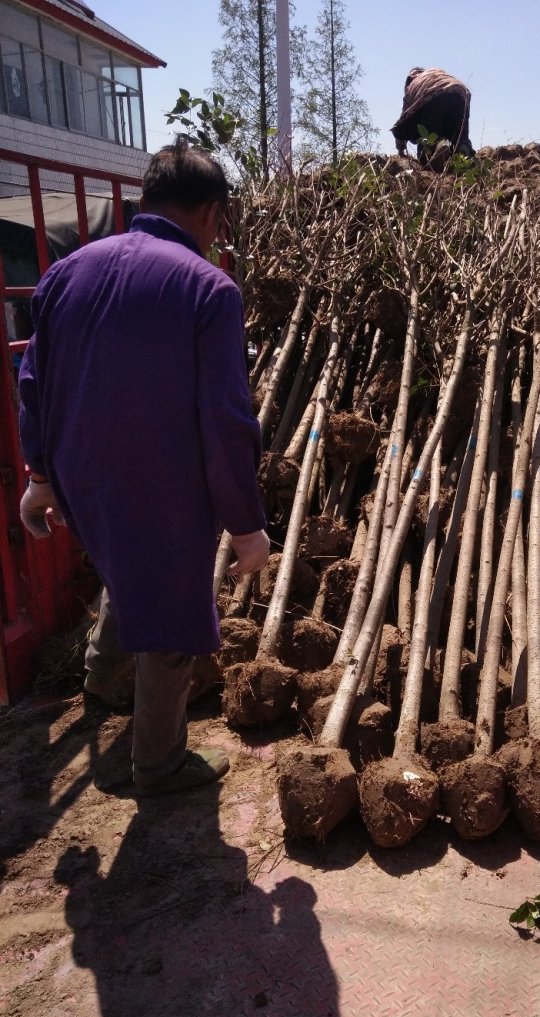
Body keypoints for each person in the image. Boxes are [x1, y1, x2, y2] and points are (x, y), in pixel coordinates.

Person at [17, 139, 270, 797]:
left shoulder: (65, 272)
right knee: (172, 615)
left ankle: (102, 683)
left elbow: (34, 379)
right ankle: (157, 764)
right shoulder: (208, 289)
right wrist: (246, 524)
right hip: (160, 486)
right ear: (212, 214)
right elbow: (225, 421)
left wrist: (39, 475)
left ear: (146, 200)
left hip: (80, 477)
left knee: (120, 567)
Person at [390, 67, 475, 166]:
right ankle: (463, 149)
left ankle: (434, 147)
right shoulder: (435, 73)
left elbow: (404, 119)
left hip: (433, 94)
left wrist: (401, 149)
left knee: (428, 138)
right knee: (458, 135)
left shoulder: (414, 84)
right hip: (460, 93)